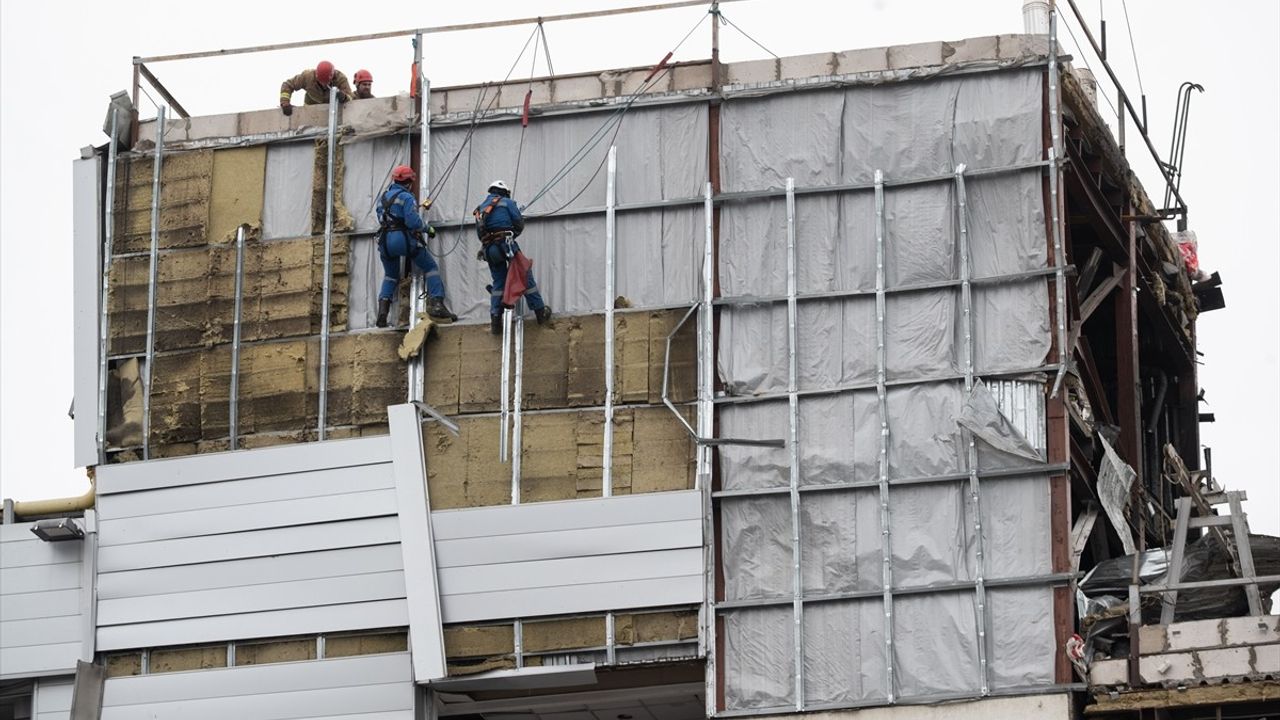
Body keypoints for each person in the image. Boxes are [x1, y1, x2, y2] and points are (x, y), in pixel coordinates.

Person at [375, 165, 457, 327]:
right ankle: (437, 305)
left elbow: (382, 218)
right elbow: (413, 222)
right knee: (430, 267)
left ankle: (382, 313)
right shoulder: (407, 197)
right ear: (409, 181)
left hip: (385, 241)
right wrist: (428, 228)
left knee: (390, 276)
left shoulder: (383, 197)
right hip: (402, 240)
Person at [474, 180, 552, 334]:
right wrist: (512, 233)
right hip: (506, 245)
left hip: (489, 250)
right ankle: (540, 311)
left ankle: (496, 320)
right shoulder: (508, 203)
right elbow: (518, 223)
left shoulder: (480, 209)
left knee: (498, 283)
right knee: (524, 273)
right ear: (504, 192)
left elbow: (479, 233)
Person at [279, 61, 353, 115]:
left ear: (332, 77)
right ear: (316, 76)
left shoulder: (340, 79)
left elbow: (351, 98)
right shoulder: (307, 77)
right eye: (321, 82)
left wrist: (343, 97)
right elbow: (288, 85)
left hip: (331, 111)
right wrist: (285, 103)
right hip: (310, 111)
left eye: (326, 82)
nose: (324, 85)